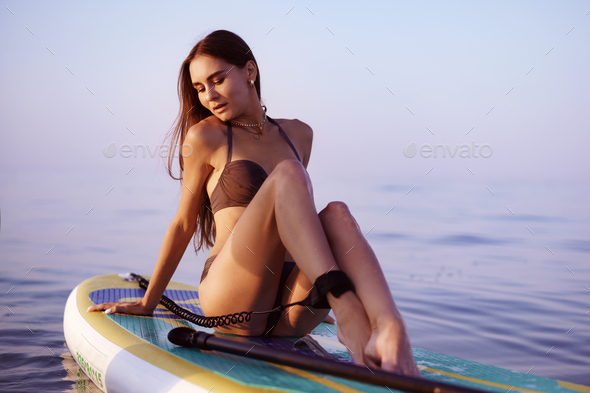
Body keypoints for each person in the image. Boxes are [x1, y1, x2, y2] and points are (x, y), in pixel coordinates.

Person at [88, 29, 420, 376]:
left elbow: (296, 225)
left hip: (290, 308)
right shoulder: (205, 136)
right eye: (200, 88)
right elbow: (184, 224)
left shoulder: (300, 134)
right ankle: (348, 307)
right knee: (289, 174)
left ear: (250, 71)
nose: (209, 96)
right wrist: (148, 302)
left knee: (336, 213)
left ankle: (390, 326)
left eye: (217, 80)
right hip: (234, 297)